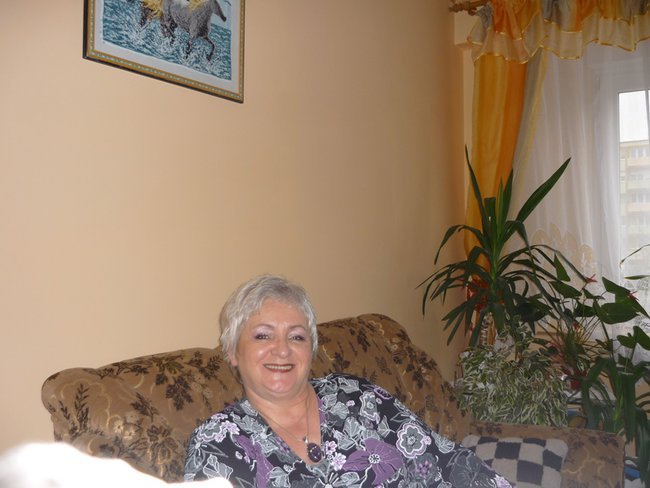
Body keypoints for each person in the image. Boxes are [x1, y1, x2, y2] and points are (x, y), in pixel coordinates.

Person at [184, 274, 511, 487]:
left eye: (296, 337)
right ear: (232, 351)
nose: (282, 350)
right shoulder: (218, 443)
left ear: (311, 350)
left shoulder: (357, 397)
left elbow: (446, 462)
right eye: (262, 335)